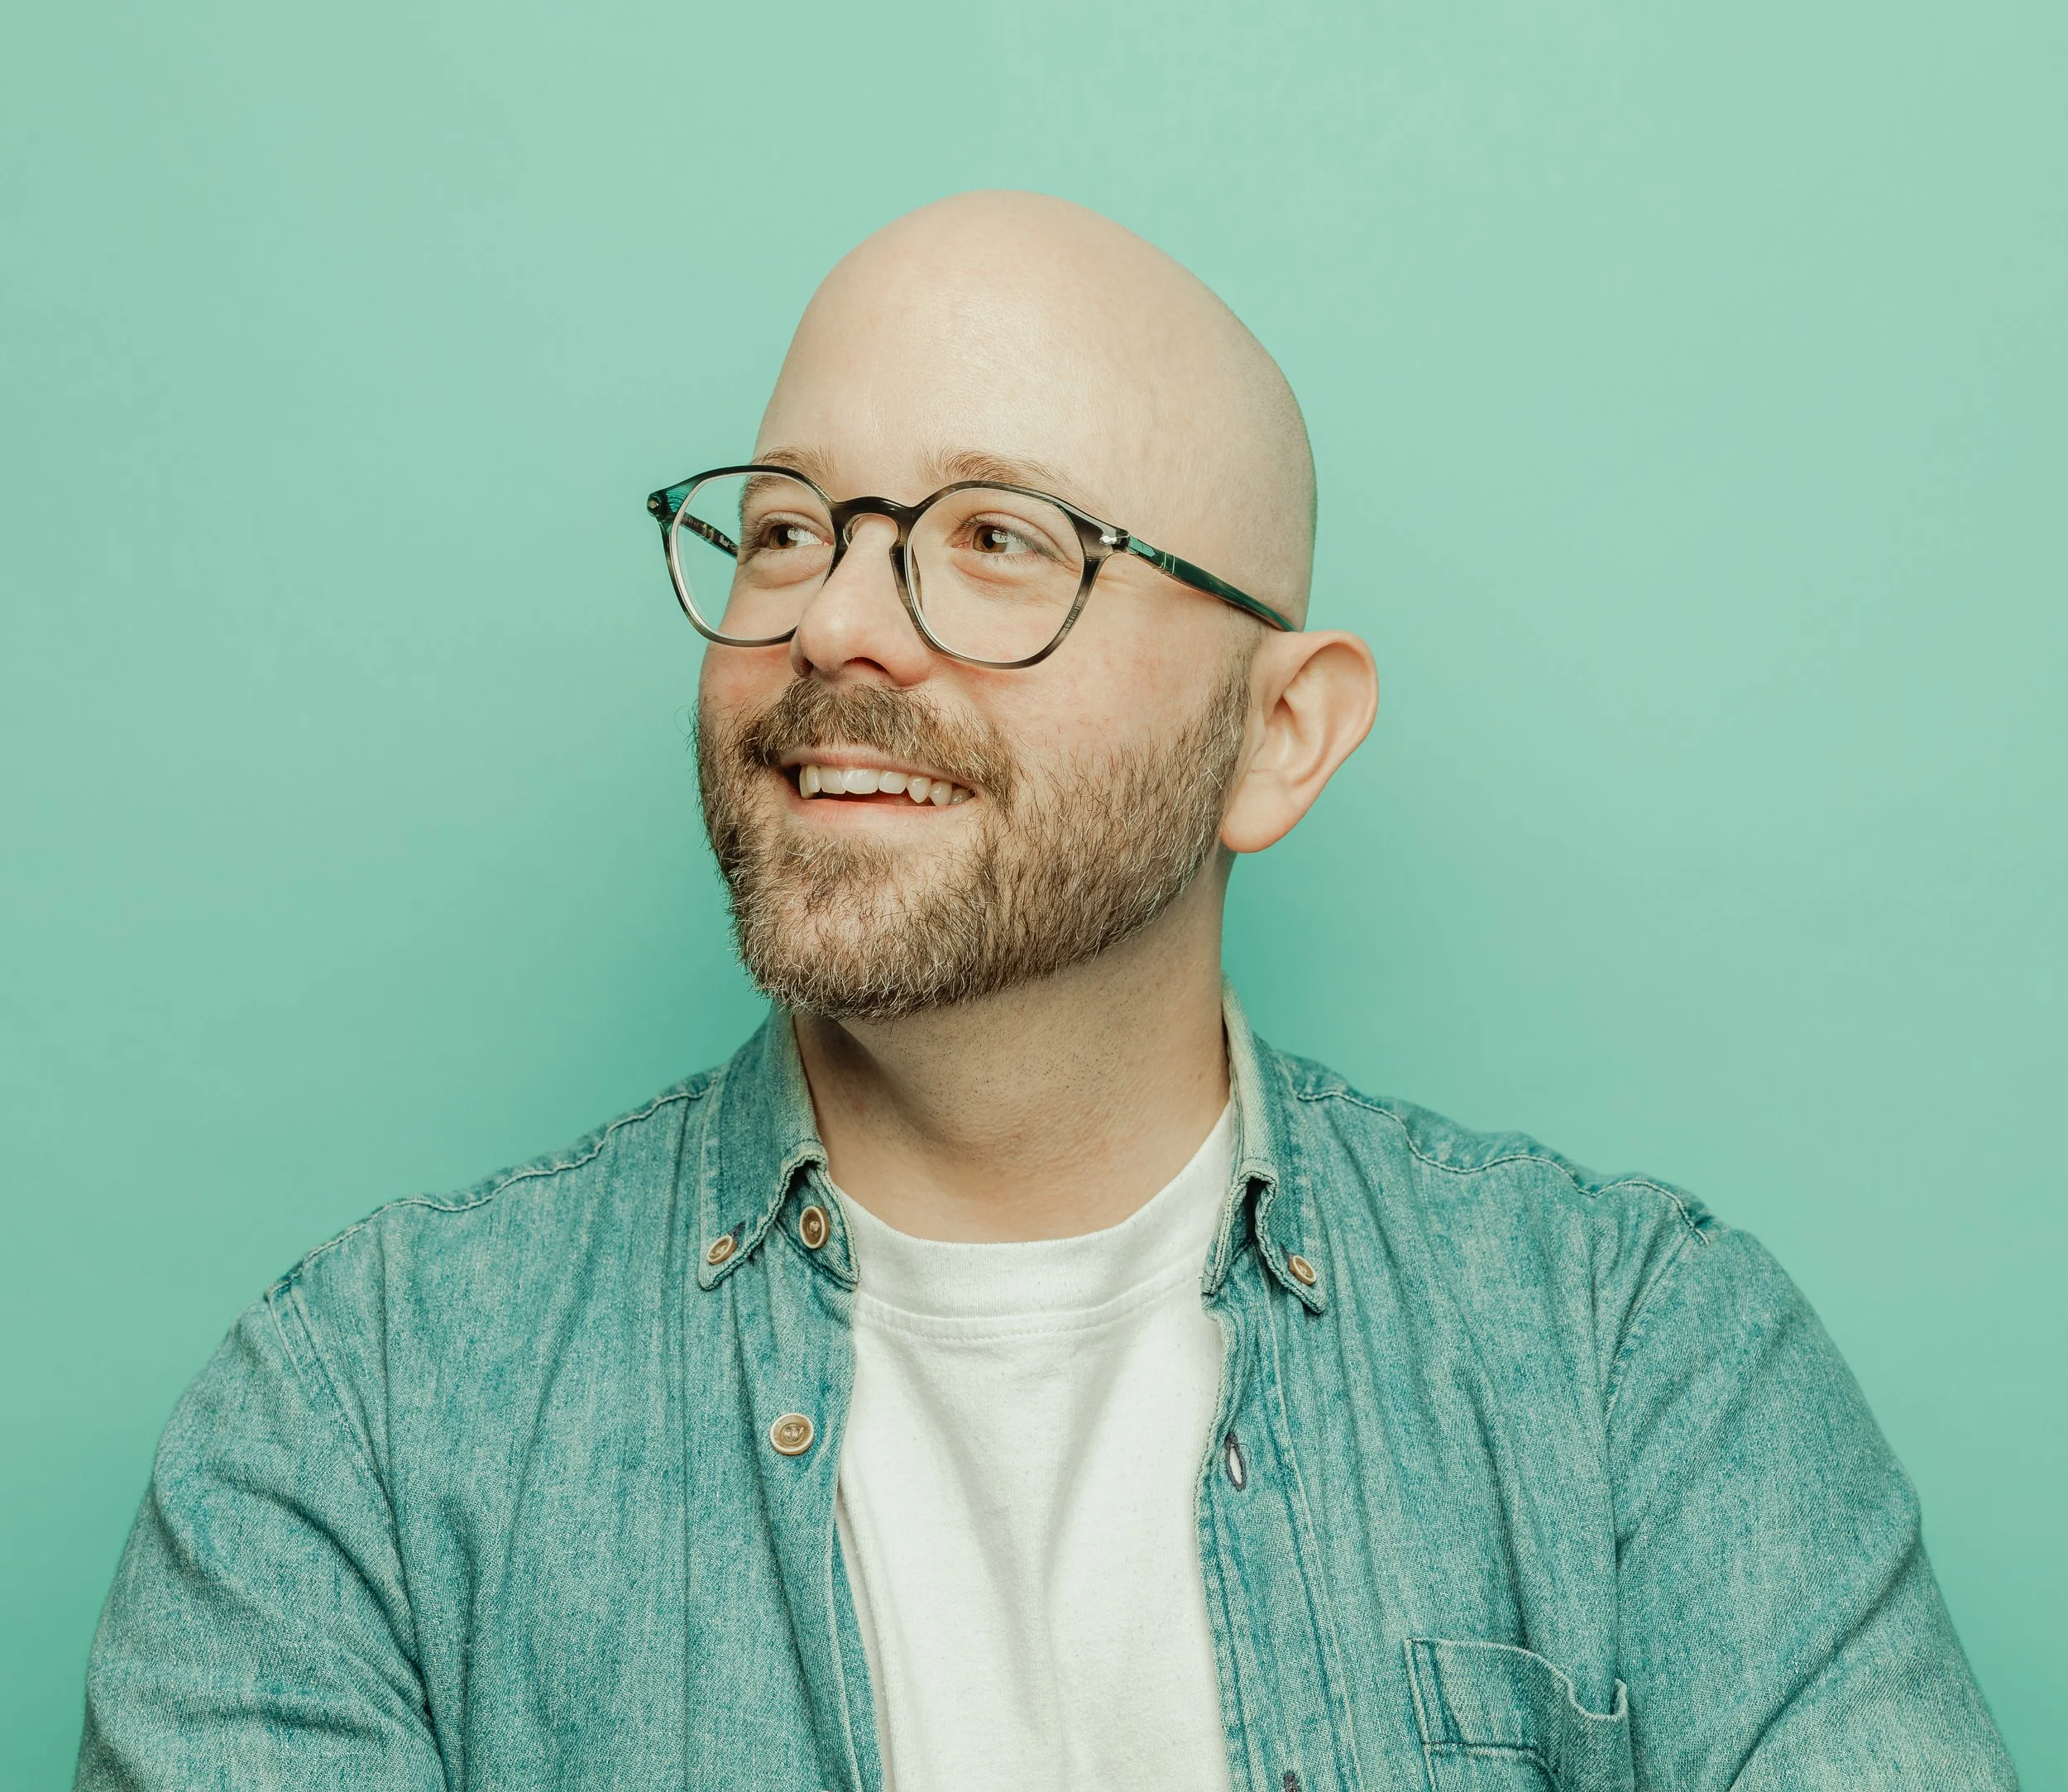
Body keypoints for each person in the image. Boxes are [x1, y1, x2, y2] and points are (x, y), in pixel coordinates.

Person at [75, 191, 2016, 1792]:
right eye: (780, 525)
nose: (829, 618)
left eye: (994, 542)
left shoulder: (1642, 1379)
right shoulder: (359, 1429)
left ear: (1278, 734)